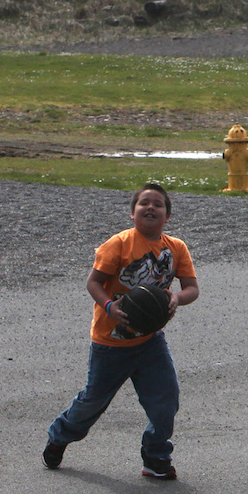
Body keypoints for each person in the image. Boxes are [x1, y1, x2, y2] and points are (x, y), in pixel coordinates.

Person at [43, 183, 199, 479]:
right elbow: (93, 283)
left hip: (150, 341)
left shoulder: (176, 248)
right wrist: (109, 307)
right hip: (110, 344)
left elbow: (192, 288)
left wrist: (175, 297)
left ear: (168, 216)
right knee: (93, 402)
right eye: (144, 203)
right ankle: (59, 436)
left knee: (166, 399)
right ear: (132, 213)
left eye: (158, 204)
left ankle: (155, 456)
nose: (151, 208)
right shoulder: (118, 244)